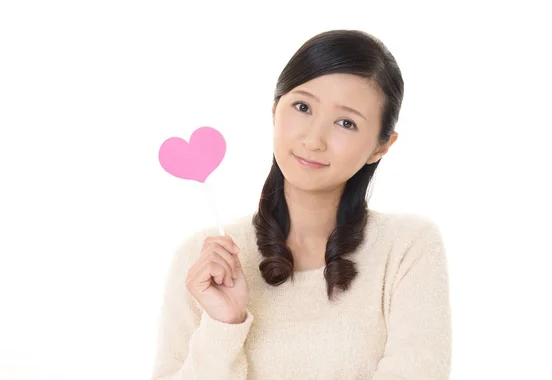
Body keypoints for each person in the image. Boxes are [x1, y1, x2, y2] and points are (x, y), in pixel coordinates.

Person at [151, 29, 452, 379]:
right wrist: (224, 323)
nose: (313, 139)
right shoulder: (206, 260)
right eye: (303, 106)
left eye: (346, 123)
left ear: (381, 146)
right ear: (275, 108)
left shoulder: (407, 248)